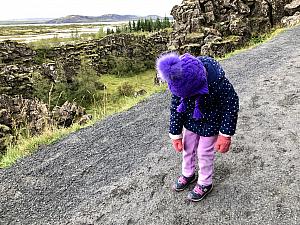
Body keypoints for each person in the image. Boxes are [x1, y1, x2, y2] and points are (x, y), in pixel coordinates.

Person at [156, 52, 239, 202]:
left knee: (204, 152)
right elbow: (176, 107)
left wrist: (225, 134)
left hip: (211, 123)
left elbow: (230, 105)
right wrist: (176, 134)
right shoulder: (178, 79)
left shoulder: (217, 83)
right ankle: (188, 173)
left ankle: (205, 182)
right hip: (191, 121)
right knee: (188, 148)